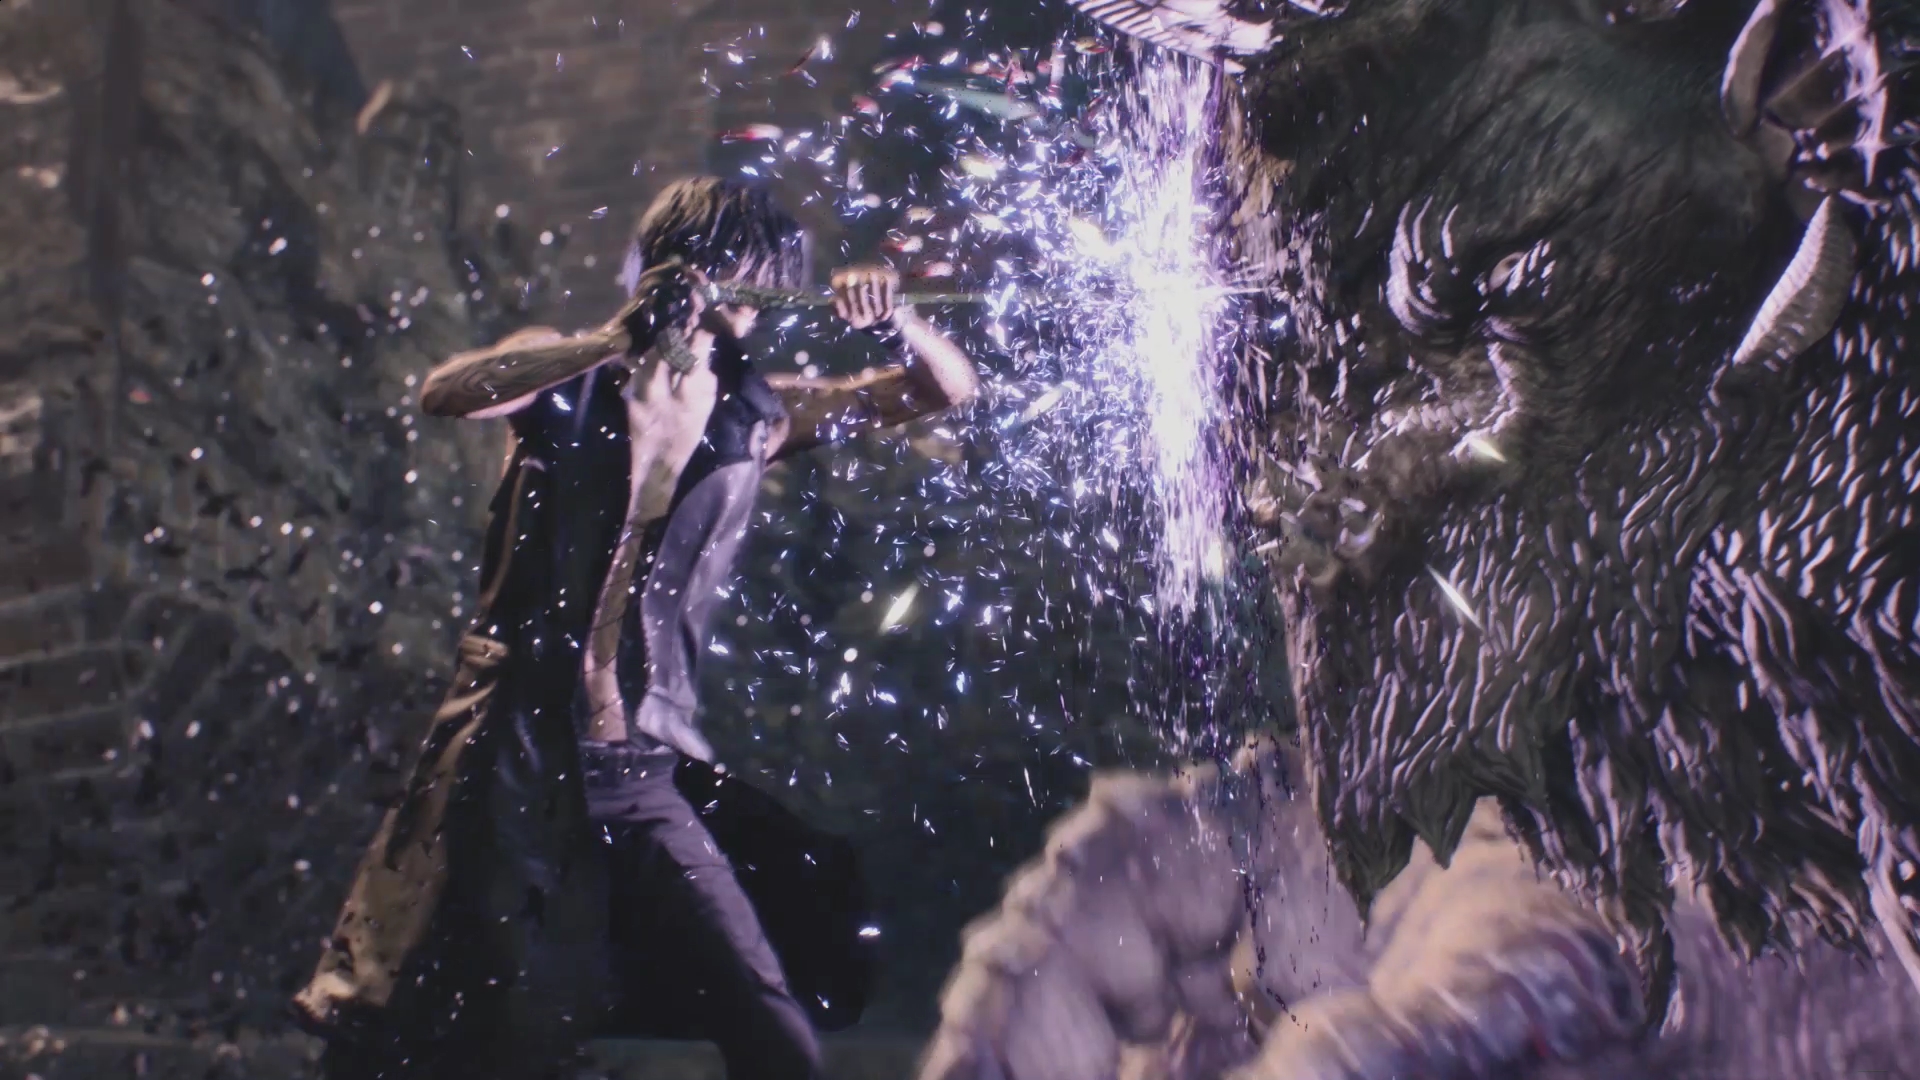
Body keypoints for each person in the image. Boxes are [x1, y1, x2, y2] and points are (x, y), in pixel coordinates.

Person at [292, 176, 981, 1080]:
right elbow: (449, 391)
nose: (758, 295)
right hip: (509, 755)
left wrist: (896, 323)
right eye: (743, 268)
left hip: (636, 765)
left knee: (769, 1025)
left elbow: (940, 391)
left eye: (774, 276)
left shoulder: (757, 414)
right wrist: (617, 337)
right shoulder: (568, 373)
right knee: (452, 1021)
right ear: (680, 265)